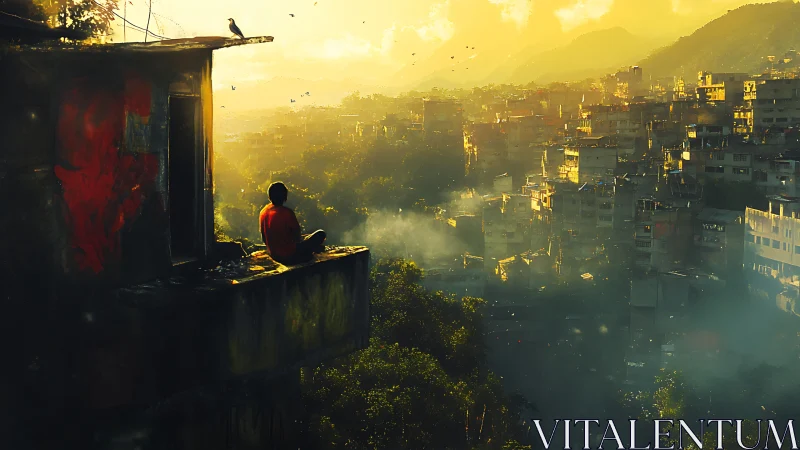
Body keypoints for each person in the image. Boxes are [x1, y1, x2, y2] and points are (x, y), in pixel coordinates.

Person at [259, 182, 327, 265]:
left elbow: (263, 237)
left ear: (269, 196)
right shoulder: (286, 213)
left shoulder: (263, 212)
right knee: (320, 234)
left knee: (307, 238)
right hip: (290, 256)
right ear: (285, 196)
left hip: (274, 255)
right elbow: (297, 237)